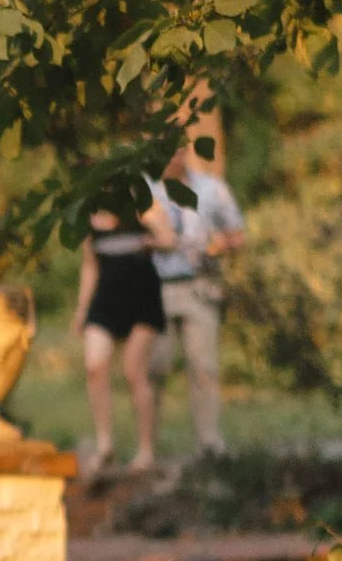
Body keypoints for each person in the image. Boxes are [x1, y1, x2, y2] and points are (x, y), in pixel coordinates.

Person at [73, 181, 180, 476]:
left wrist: (151, 236)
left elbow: (170, 240)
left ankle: (145, 450)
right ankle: (105, 444)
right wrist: (82, 309)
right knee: (95, 367)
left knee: (134, 372)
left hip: (142, 299)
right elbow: (90, 265)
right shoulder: (90, 219)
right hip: (105, 299)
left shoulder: (142, 210)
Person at [151, 129, 247, 457]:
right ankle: (150, 445)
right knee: (154, 368)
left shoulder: (210, 188)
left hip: (199, 284)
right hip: (155, 287)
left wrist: (220, 244)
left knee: (203, 366)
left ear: (184, 152)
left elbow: (237, 234)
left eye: (175, 151)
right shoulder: (145, 190)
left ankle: (208, 443)